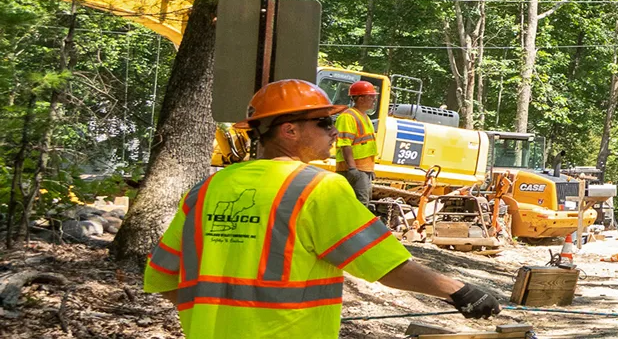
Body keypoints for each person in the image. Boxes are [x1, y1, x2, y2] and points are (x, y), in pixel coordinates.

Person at [143, 80, 500, 338]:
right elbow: (385, 264)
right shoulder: (317, 187)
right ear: (289, 131)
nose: (334, 131)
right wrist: (459, 291)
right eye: (324, 122)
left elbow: (161, 276)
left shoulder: (207, 189)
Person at [332, 80, 380, 203]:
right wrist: (352, 169)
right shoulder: (348, 117)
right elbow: (345, 144)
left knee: (364, 203)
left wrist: (370, 169)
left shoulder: (365, 117)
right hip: (355, 170)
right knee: (359, 204)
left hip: (363, 169)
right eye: (371, 96)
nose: (374, 100)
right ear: (360, 98)